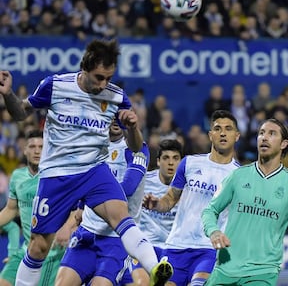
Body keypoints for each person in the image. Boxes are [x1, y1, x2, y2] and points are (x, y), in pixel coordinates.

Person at [0, 39, 172, 286]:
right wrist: (8, 95)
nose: (104, 84)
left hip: (94, 170)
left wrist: (133, 127)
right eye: (99, 77)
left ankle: (156, 267)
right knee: (38, 247)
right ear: (84, 68)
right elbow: (20, 113)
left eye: (108, 78)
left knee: (121, 216)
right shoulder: (55, 86)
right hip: (57, 174)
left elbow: (136, 147)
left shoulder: (116, 97)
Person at [201, 118, 288, 285]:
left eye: (271, 133)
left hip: (262, 273)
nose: (264, 137)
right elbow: (210, 210)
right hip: (225, 268)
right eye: (261, 133)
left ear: (283, 144)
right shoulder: (238, 176)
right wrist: (213, 231)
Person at [143, 110, 240, 286]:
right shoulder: (189, 163)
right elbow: (170, 199)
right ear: (210, 135)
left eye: (228, 129)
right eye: (217, 129)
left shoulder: (240, 176)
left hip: (209, 249)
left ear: (237, 136)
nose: (223, 133)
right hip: (176, 246)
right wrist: (157, 204)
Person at [55, 118, 150, 286]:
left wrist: (88, 194)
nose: (115, 120)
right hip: (88, 232)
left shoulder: (136, 150)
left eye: (118, 115)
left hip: (117, 238)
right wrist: (73, 217)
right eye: (110, 114)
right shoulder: (92, 148)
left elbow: (127, 189)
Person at [0, 130, 75, 286]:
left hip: (49, 253)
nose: (36, 151)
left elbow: (75, 209)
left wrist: (67, 227)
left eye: (41, 147)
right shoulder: (17, 176)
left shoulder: (58, 176)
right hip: (25, 250)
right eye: (32, 146)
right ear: (24, 150)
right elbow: (11, 210)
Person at [130, 139, 183, 286]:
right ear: (158, 161)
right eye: (166, 158)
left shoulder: (189, 188)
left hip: (172, 249)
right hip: (145, 246)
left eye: (175, 158)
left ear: (181, 162)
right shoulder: (143, 181)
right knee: (141, 283)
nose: (170, 163)